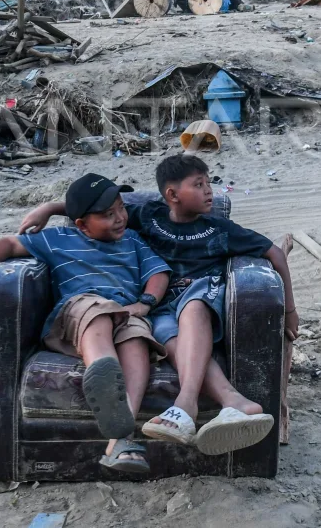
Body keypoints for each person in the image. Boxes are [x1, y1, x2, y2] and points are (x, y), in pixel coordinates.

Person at [19, 153, 298, 456]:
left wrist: (290, 311)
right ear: (172, 195)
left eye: (208, 183)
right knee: (172, 340)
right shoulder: (149, 216)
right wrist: (49, 208)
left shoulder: (220, 229)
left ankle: (185, 405)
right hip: (162, 306)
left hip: (201, 292)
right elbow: (98, 211)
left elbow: (274, 253)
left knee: (193, 308)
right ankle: (235, 402)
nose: (209, 191)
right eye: (199, 184)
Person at [0, 173, 170, 475]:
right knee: (98, 312)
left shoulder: (133, 240)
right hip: (79, 311)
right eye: (108, 214)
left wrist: (144, 304)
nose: (120, 217)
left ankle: (121, 437)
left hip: (124, 311)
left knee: (137, 339)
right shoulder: (58, 238)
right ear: (81, 224)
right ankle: (102, 371)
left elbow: (158, 273)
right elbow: (8, 243)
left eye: (121, 208)